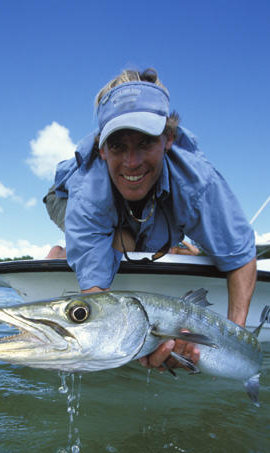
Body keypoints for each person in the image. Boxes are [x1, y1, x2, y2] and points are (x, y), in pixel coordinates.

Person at [44, 68, 257, 372]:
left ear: (168, 138)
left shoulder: (197, 182)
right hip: (63, 197)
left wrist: (236, 340)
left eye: (145, 142)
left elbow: (240, 256)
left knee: (152, 241)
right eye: (118, 145)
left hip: (148, 205)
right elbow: (96, 300)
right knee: (124, 241)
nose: (132, 162)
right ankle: (61, 253)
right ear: (102, 148)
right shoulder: (87, 193)